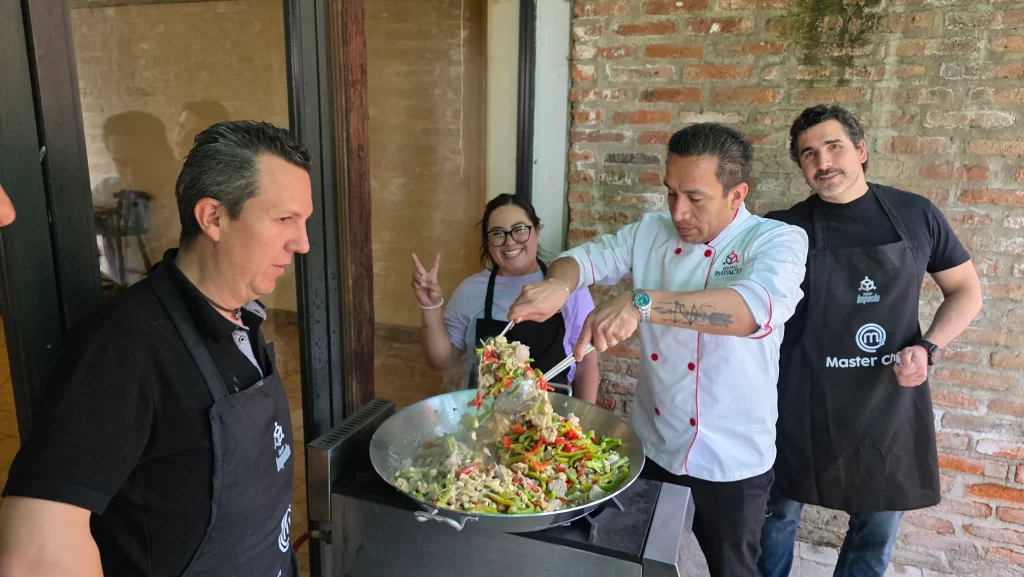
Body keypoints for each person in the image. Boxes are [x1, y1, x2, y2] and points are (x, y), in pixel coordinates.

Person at [0, 120, 313, 577]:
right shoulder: (125, 348)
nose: (302, 243)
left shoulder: (244, 315)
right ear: (213, 217)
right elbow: (38, 552)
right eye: (285, 219)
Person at [508, 123, 809, 577]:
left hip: (731, 456)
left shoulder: (775, 240)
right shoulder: (652, 230)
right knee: (636, 561)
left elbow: (752, 311)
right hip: (653, 444)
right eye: (671, 193)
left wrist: (640, 303)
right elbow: (585, 258)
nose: (678, 211)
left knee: (735, 568)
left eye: (694, 197)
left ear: (737, 194)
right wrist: (557, 284)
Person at [756, 105, 983, 577]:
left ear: (860, 150)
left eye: (834, 146)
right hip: (801, 400)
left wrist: (928, 347)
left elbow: (966, 291)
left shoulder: (915, 213)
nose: (823, 162)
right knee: (775, 519)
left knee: (875, 530)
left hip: (888, 405)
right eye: (808, 154)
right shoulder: (782, 229)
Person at [411, 193, 600, 402]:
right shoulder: (471, 290)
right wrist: (430, 307)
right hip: (484, 418)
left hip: (554, 419)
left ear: (537, 232)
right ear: (488, 243)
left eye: (519, 230)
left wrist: (583, 419)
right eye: (498, 233)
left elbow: (586, 362)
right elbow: (441, 361)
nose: (509, 242)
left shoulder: (566, 287)